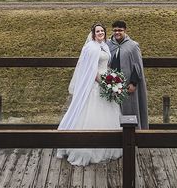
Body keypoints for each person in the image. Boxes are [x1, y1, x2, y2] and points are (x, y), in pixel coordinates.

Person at [57, 23, 122, 166]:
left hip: (106, 79)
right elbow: (92, 71)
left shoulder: (104, 46)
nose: (100, 33)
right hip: (96, 85)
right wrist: (105, 84)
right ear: (93, 34)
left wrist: (112, 78)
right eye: (97, 31)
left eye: (102, 31)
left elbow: (106, 63)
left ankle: (107, 143)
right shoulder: (91, 48)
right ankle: (86, 148)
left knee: (107, 112)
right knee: (91, 113)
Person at [107, 20, 149, 129]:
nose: (117, 33)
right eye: (115, 30)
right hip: (111, 83)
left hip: (128, 84)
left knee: (129, 109)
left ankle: (133, 134)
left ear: (125, 30)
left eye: (120, 30)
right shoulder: (108, 44)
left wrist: (133, 83)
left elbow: (137, 65)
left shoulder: (133, 46)